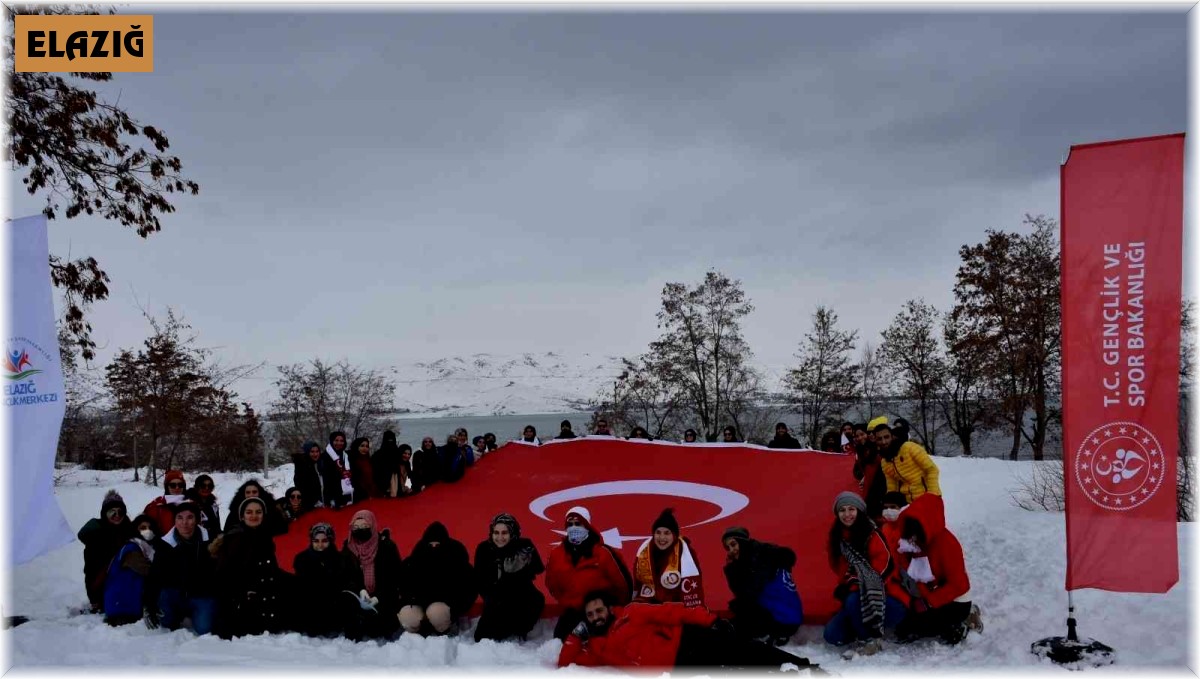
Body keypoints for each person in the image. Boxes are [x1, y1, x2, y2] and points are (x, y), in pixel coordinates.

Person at [557, 592, 820, 671]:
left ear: (608, 609)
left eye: (598, 611)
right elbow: (565, 663)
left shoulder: (631, 612)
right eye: (590, 615)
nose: (596, 617)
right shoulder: (596, 648)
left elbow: (674, 611)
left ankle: (803, 666)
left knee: (744, 649)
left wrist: (709, 620)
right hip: (678, 667)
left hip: (687, 639)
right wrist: (576, 635)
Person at [823, 492, 908, 652]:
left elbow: (884, 568)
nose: (847, 514)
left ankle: (869, 639)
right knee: (832, 635)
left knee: (853, 600)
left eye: (851, 509)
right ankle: (862, 625)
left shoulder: (872, 533)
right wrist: (847, 585)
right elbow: (840, 570)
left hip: (887, 597)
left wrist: (852, 585)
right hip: (857, 597)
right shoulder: (837, 539)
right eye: (842, 510)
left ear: (859, 511)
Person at [893, 493, 983, 644]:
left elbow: (958, 585)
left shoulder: (947, 544)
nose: (911, 533)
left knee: (937, 632)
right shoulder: (911, 544)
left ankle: (967, 618)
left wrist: (928, 602)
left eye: (916, 527)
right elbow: (911, 574)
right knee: (903, 630)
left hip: (954, 600)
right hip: (929, 596)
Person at [545, 506, 635, 640]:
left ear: (587, 525)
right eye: (570, 524)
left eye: (578, 524)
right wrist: (568, 602)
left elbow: (624, 584)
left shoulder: (603, 552)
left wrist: (612, 607)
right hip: (574, 611)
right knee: (560, 640)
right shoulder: (556, 554)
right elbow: (552, 584)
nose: (573, 528)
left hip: (599, 611)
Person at [212, 497, 291, 638]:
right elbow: (225, 576)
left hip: (266, 590)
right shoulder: (234, 539)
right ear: (242, 516)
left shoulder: (266, 536)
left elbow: (271, 569)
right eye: (249, 512)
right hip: (242, 597)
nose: (254, 516)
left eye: (258, 512)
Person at [721, 526, 803, 646]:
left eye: (733, 544)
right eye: (727, 547)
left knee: (738, 619)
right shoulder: (759, 552)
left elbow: (747, 594)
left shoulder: (759, 558)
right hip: (787, 616)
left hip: (783, 621)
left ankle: (770, 634)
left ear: (743, 542)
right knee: (739, 609)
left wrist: (731, 569)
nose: (731, 550)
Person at [144, 502, 217, 635]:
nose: (185, 522)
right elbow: (155, 575)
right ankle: (178, 615)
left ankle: (194, 613)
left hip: (201, 594)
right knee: (166, 622)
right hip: (174, 593)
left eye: (190, 517)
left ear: (196, 520)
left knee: (204, 628)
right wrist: (149, 605)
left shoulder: (210, 540)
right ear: (175, 520)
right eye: (180, 518)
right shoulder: (165, 544)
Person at [472, 513, 545, 642]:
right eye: (496, 532)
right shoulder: (484, 549)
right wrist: (501, 574)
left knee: (536, 601)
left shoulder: (524, 545)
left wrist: (524, 564)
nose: (500, 537)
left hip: (521, 593)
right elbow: (479, 581)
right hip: (495, 596)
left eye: (504, 533)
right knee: (482, 636)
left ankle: (519, 629)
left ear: (512, 533)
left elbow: (538, 568)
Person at [399, 521, 476, 636]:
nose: (434, 548)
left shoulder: (456, 560)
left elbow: (470, 587)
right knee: (408, 618)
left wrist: (456, 609)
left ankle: (443, 627)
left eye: (437, 545)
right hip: (419, 604)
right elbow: (403, 585)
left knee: (437, 613)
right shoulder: (415, 560)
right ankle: (420, 629)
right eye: (431, 545)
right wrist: (410, 599)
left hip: (443, 607)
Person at [339, 510, 404, 641]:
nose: (359, 530)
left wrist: (378, 597)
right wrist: (360, 590)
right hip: (359, 598)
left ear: (372, 526)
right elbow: (345, 576)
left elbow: (395, 577)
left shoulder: (387, 547)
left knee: (377, 630)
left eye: (364, 526)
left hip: (384, 599)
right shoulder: (348, 548)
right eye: (356, 527)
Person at [632, 508, 704, 607]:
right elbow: (637, 583)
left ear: (674, 535)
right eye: (658, 532)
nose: (662, 538)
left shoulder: (686, 553)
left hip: (675, 607)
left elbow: (694, 585)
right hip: (647, 603)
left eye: (667, 533)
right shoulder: (644, 552)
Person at [78, 489, 134, 613]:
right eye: (112, 512)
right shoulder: (96, 535)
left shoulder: (129, 529)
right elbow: (91, 571)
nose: (117, 516)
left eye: (120, 512)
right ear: (104, 513)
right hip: (103, 584)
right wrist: (94, 599)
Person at [102, 513, 159, 626]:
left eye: (150, 528)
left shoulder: (145, 548)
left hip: (128, 602)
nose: (147, 531)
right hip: (121, 606)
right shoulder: (132, 549)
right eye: (143, 528)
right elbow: (148, 570)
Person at [871, 417, 941, 503]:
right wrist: (891, 502)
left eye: (886, 437)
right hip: (908, 503)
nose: (884, 442)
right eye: (879, 439)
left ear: (892, 437)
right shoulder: (885, 462)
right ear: (875, 441)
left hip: (927, 498)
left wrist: (932, 494)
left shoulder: (909, 447)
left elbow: (932, 469)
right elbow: (892, 486)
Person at [292, 522, 344, 638]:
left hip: (333, 607)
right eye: (316, 541)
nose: (320, 545)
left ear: (331, 541)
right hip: (310, 606)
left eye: (324, 541)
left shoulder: (339, 559)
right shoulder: (302, 559)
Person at [852, 422, 887, 521]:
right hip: (868, 487)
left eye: (862, 434)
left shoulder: (877, 448)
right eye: (857, 436)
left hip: (879, 488)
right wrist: (862, 476)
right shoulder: (860, 450)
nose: (859, 438)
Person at [142, 470, 189, 536]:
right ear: (167, 487)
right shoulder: (157, 505)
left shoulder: (191, 503)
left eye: (180, 485)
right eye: (173, 485)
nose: (177, 487)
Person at [321, 430, 354, 509]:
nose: (339, 443)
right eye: (336, 440)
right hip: (331, 495)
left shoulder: (346, 455)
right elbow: (325, 479)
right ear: (332, 441)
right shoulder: (324, 456)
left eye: (342, 441)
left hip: (346, 492)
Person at [372, 430, 406, 497]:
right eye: (388, 440)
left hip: (395, 481)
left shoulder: (397, 453)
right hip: (383, 486)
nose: (390, 443)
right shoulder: (377, 455)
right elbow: (375, 473)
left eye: (392, 440)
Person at [293, 440, 325, 510]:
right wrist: (314, 502)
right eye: (312, 452)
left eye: (317, 451)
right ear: (307, 452)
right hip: (311, 505)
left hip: (324, 502)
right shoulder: (302, 466)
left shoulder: (320, 463)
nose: (315, 454)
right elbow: (301, 487)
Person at [348, 436, 375, 503]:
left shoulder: (369, 461)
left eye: (367, 446)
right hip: (356, 495)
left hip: (368, 494)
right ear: (357, 446)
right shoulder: (351, 460)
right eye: (362, 446)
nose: (365, 448)